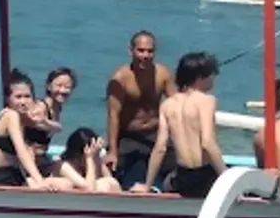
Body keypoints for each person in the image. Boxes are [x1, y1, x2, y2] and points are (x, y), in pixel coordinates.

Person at [142, 52, 224, 199]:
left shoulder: (167, 104)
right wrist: (226, 178)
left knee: (168, 181)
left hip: (183, 178)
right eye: (212, 75)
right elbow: (207, 143)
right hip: (205, 177)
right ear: (200, 78)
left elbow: (160, 147)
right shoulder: (206, 100)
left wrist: (147, 185)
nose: (213, 80)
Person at [105, 31, 176, 189]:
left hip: (155, 133)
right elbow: (113, 116)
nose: (146, 55)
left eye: (150, 51)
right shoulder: (120, 78)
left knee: (181, 164)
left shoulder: (163, 74)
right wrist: (112, 151)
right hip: (128, 136)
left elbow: (176, 105)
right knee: (113, 169)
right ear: (131, 51)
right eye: (141, 50)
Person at [0, 69, 68, 189]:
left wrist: (44, 121)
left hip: (15, 174)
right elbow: (22, 152)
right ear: (8, 99)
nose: (23, 102)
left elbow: (56, 128)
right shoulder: (10, 115)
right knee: (54, 187)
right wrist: (40, 181)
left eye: (27, 96)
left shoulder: (24, 118)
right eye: (18, 97)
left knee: (64, 184)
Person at [53, 127, 123, 193]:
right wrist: (89, 158)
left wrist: (97, 157)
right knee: (103, 184)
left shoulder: (94, 160)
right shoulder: (63, 166)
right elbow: (89, 189)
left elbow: (112, 181)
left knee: (109, 182)